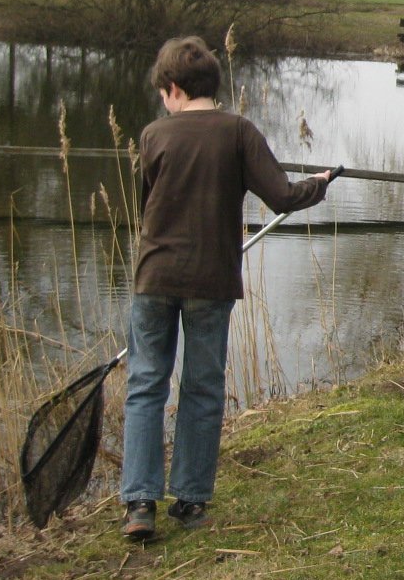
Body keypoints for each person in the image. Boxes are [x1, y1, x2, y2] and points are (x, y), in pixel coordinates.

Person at [120, 36, 337, 541]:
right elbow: (282, 195)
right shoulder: (238, 131)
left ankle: (139, 504)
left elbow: (143, 205)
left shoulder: (154, 135)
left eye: (163, 93)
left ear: (173, 89)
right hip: (210, 281)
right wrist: (320, 183)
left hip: (152, 277)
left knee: (146, 384)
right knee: (202, 386)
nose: (163, 102)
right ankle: (191, 501)